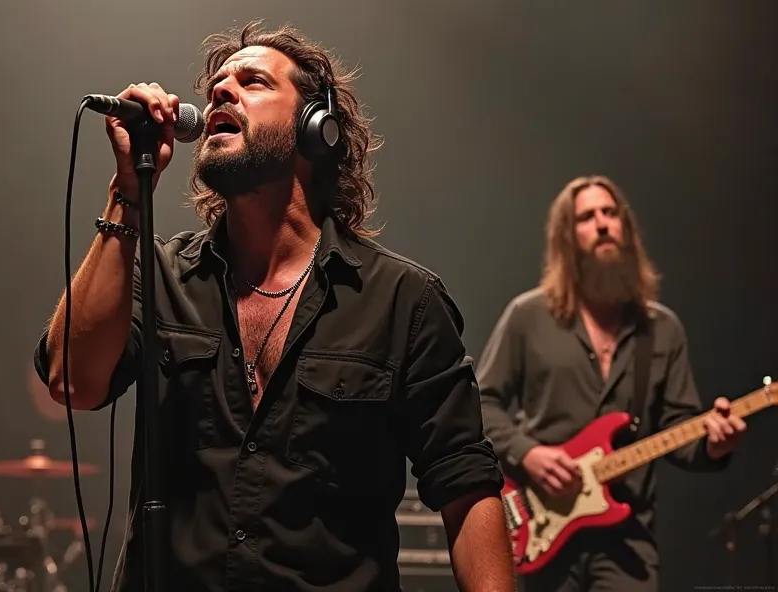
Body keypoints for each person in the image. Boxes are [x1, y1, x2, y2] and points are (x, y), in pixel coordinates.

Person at [32, 19, 516, 592]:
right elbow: (72, 381)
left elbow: (465, 486)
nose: (220, 91)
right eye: (216, 85)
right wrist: (127, 196)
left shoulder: (402, 301)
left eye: (253, 81)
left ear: (318, 130)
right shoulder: (157, 273)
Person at [477, 175, 746, 591]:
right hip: (543, 529)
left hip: (628, 542)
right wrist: (528, 454)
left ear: (627, 229)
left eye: (610, 213)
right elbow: (481, 403)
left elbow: (680, 426)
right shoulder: (527, 317)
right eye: (587, 216)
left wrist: (714, 444)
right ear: (567, 238)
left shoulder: (661, 329)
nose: (602, 223)